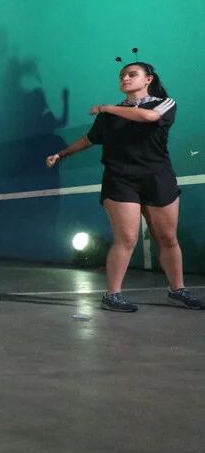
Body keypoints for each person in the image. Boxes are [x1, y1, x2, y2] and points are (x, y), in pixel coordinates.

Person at [46, 60, 202, 311]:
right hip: (120, 179)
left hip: (158, 177)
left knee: (167, 238)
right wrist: (62, 154)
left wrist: (108, 107)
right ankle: (112, 295)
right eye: (121, 76)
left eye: (131, 74)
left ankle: (178, 290)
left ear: (148, 79)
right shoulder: (110, 115)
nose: (125, 79)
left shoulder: (164, 103)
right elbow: (90, 139)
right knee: (127, 238)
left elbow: (148, 117)